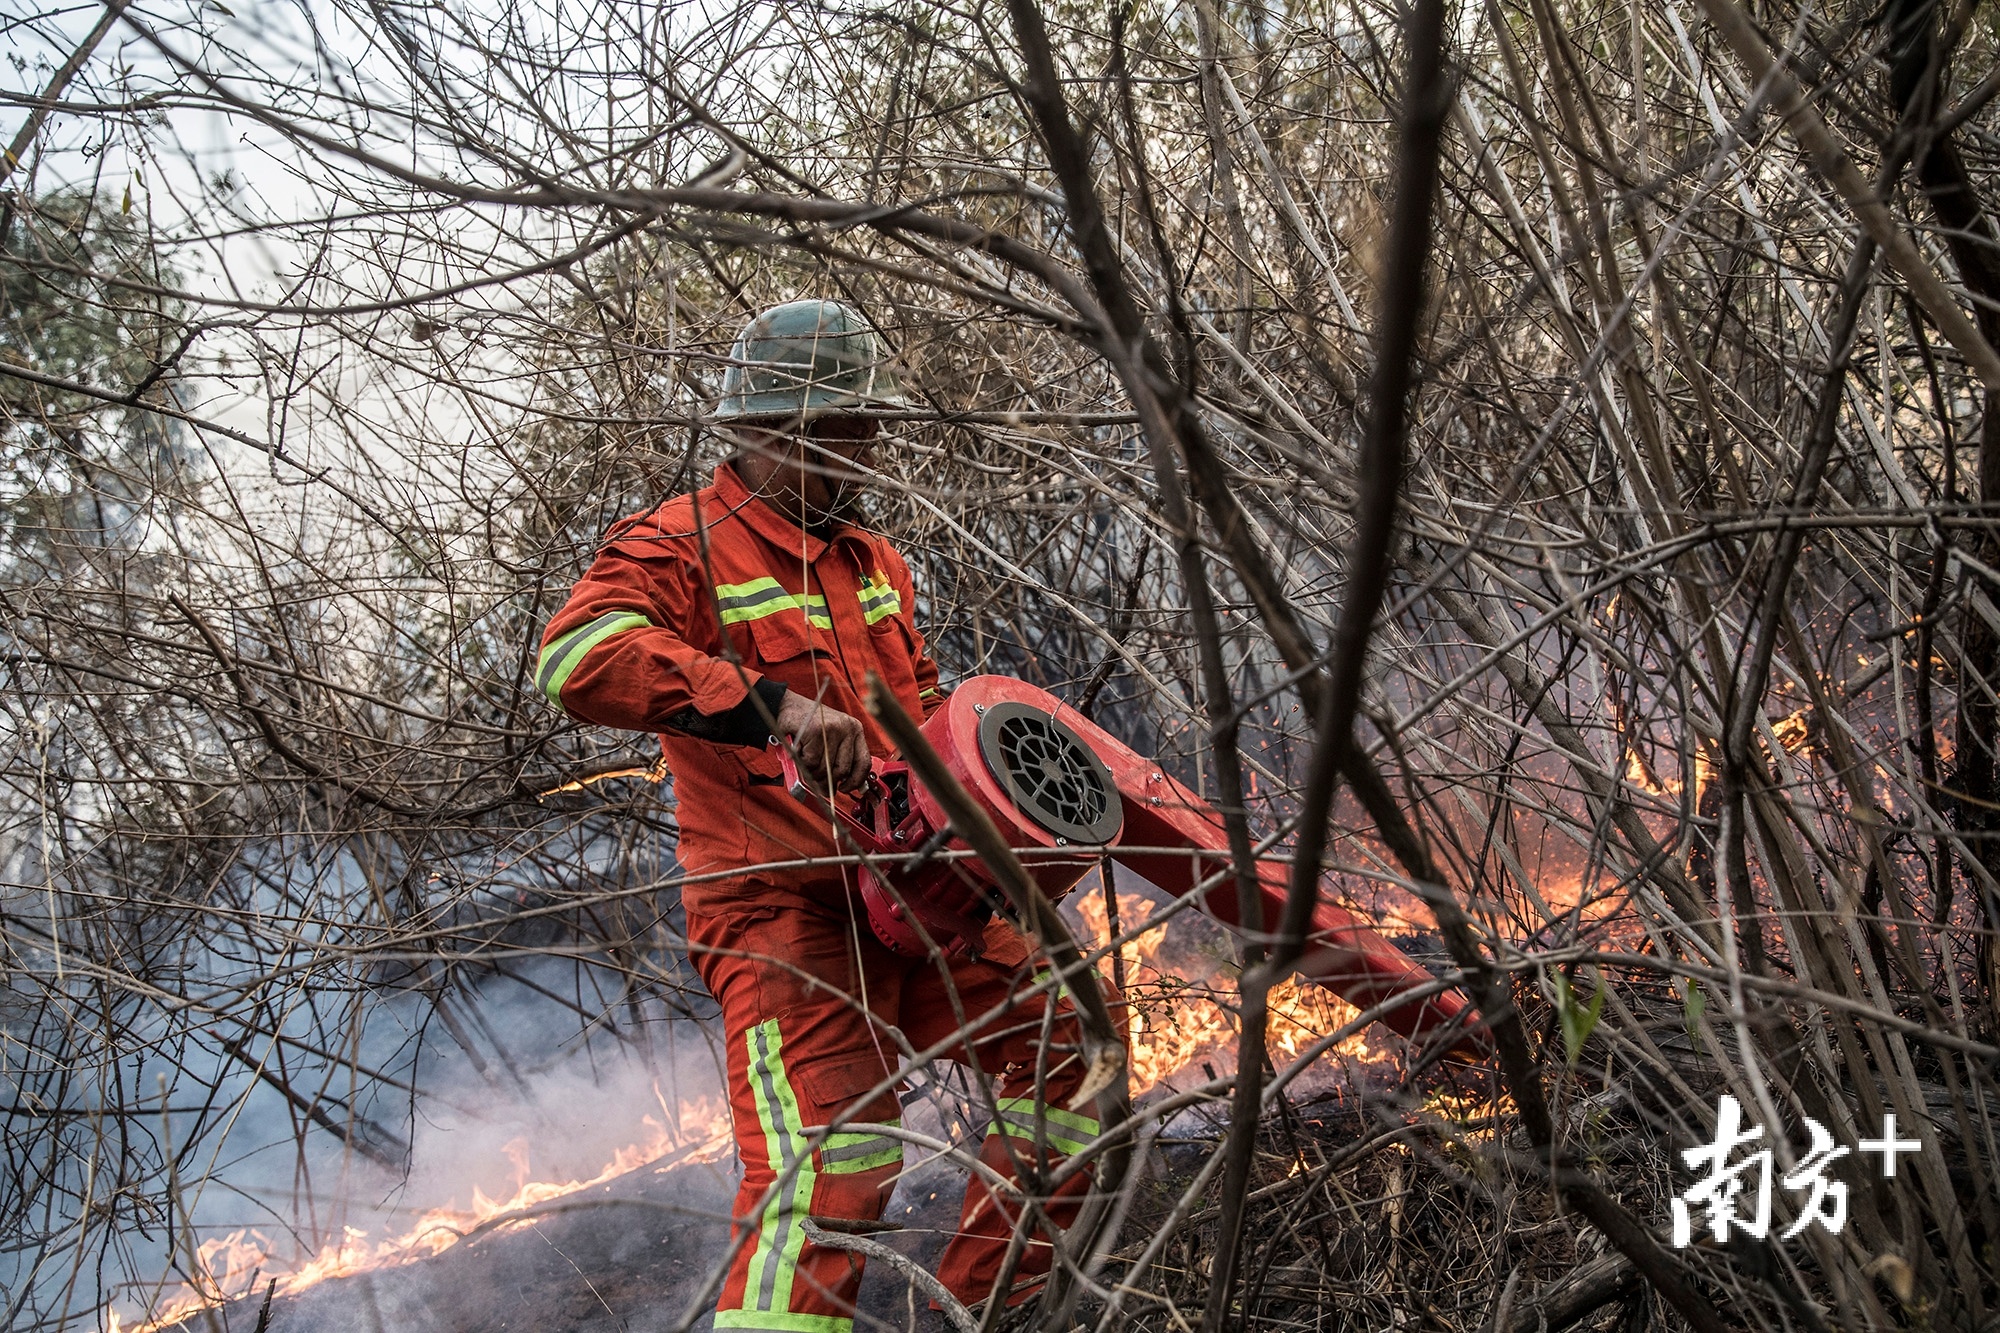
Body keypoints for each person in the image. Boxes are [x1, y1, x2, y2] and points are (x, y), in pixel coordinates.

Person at [536, 300, 1113, 1332]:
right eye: (851, 429)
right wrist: (772, 708)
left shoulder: (871, 561)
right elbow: (576, 659)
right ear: (774, 430)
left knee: (1073, 1060)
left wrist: (995, 856)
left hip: (921, 887)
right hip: (781, 913)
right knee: (832, 1161)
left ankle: (992, 1311)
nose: (870, 447)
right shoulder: (680, 546)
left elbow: (928, 719)